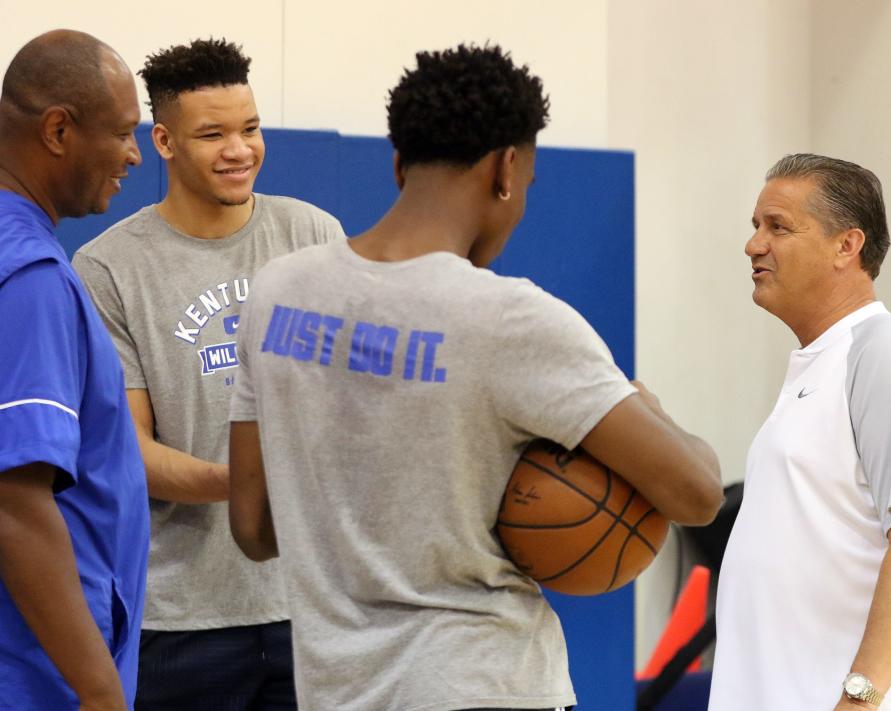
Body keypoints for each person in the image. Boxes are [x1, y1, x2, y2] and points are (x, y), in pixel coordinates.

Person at [228, 44, 723, 711]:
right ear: (506, 170)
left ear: (400, 162)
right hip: (485, 684)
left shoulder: (278, 292)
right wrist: (645, 405)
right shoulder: (511, 318)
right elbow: (697, 495)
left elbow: (254, 529)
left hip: (335, 691)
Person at [72, 38, 344, 710]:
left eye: (250, 129)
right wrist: (247, 481)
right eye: (213, 134)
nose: (239, 150)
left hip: (310, 607)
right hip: (179, 619)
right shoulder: (108, 268)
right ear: (162, 141)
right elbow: (128, 452)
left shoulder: (313, 236)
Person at [709, 154, 891, 711]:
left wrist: (859, 699)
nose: (754, 245)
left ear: (847, 246)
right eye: (755, 226)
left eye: (777, 226)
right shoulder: (820, 364)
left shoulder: (887, 352)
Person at [0, 29, 149, 710]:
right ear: (58, 129)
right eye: (122, 132)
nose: (133, 154)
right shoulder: (31, 279)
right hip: (36, 679)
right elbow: (16, 501)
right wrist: (99, 691)